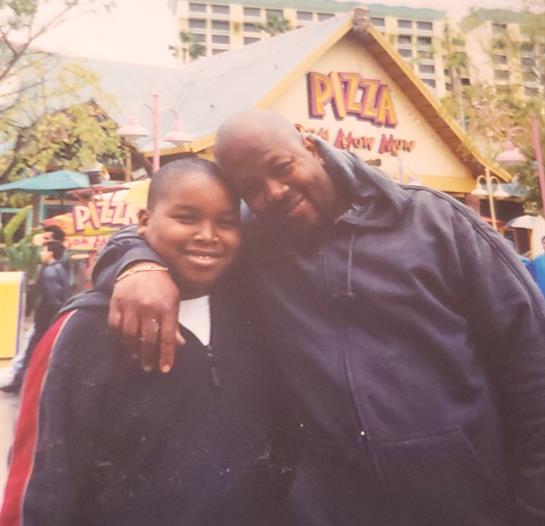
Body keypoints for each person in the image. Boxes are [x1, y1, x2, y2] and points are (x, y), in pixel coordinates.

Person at [85, 111, 545, 526]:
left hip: (467, 505)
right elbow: (165, 228)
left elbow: (532, 362)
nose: (275, 192)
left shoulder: (433, 221)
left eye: (281, 168)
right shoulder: (255, 242)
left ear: (309, 143)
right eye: (251, 188)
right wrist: (139, 264)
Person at [0, 159, 290, 526]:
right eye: (186, 218)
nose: (207, 235)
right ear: (143, 220)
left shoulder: (255, 314)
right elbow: (36, 482)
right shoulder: (83, 329)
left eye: (226, 222)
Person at [0, 241, 70, 395]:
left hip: (43, 320)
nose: (41, 254)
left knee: (30, 352)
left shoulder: (49, 272)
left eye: (44, 250)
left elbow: (51, 298)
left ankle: (18, 382)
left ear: (50, 253)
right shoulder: (61, 269)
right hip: (51, 320)